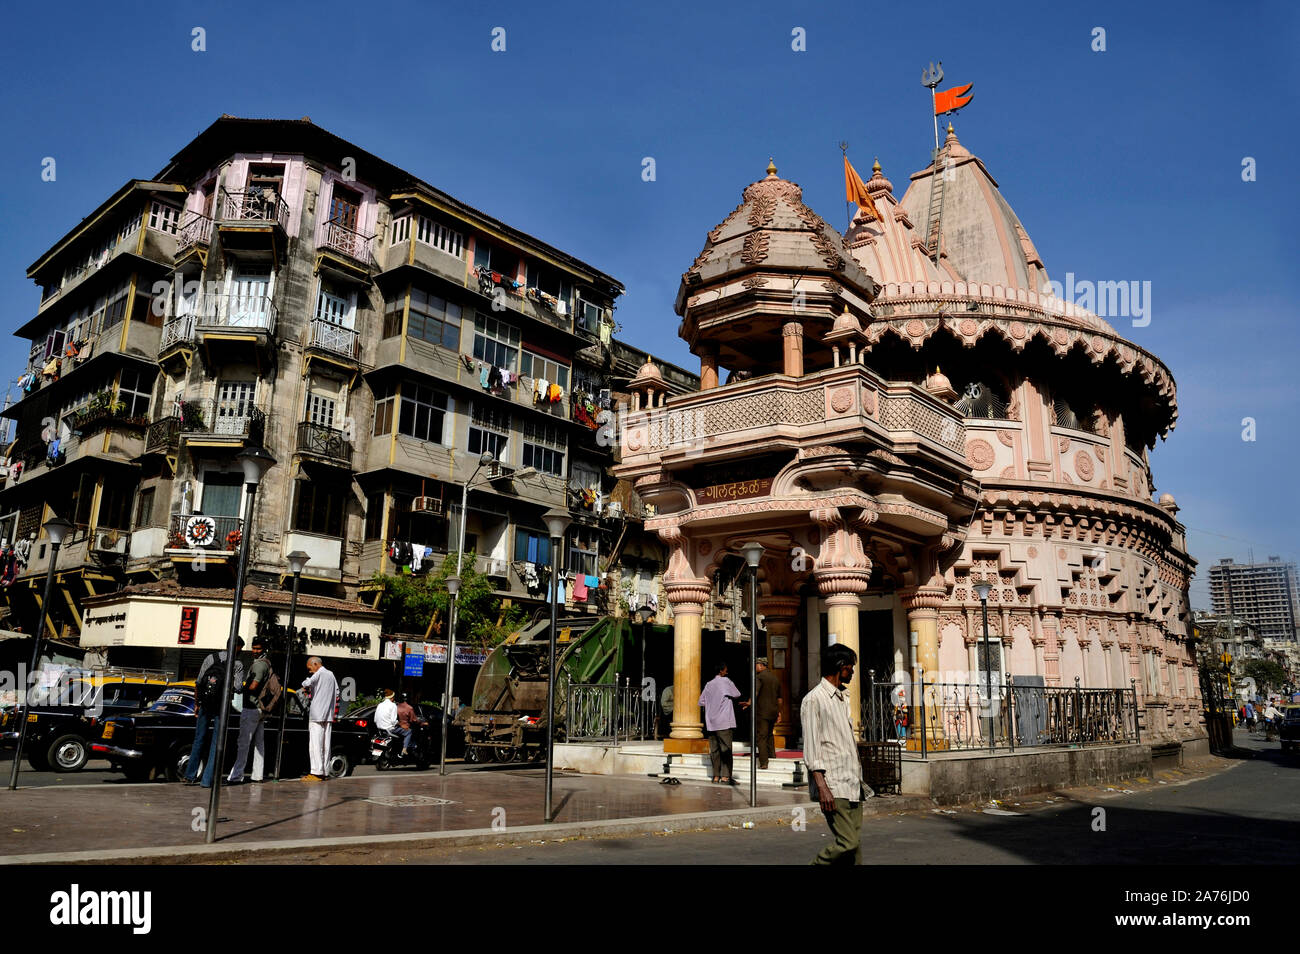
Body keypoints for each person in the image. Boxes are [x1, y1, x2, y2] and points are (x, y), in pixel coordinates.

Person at [801, 643, 872, 865]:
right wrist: (822, 787)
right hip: (833, 785)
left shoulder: (842, 698)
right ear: (840, 666)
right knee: (847, 843)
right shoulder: (814, 699)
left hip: (852, 782)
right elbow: (812, 747)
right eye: (850, 667)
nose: (852, 672)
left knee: (854, 848)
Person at [184, 638, 245, 788]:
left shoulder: (210, 657)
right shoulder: (237, 664)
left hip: (205, 704)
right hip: (221, 707)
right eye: (241, 648)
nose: (241, 651)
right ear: (237, 647)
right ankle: (206, 780)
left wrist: (197, 704)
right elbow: (238, 688)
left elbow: (198, 682)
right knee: (216, 742)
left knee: (199, 739)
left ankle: (190, 775)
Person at [227, 638, 274, 784]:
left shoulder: (259, 665)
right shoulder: (267, 663)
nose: (255, 651)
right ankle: (257, 775)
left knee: (243, 743)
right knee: (259, 744)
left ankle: (236, 776)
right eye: (253, 648)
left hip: (252, 708)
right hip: (260, 710)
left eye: (258, 648)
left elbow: (254, 686)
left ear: (264, 649)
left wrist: (240, 688)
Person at [698, 662, 742, 784]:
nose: (727, 673)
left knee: (715, 750)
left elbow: (701, 701)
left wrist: (712, 702)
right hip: (723, 721)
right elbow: (737, 694)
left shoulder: (709, 684)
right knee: (726, 749)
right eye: (726, 671)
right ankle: (725, 776)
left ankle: (716, 776)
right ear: (721, 671)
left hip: (711, 722)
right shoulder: (726, 681)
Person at [300, 657, 339, 781]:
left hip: (317, 714)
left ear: (315, 664)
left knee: (315, 744)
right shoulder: (331, 674)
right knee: (326, 744)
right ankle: (324, 772)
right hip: (328, 714)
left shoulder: (319, 673)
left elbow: (306, 683)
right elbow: (337, 692)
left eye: (309, 668)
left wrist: (305, 683)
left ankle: (316, 772)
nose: (310, 671)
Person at [753, 657, 782, 770]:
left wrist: (749, 703)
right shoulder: (775, 678)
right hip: (773, 711)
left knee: (761, 736)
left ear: (761, 665)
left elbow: (755, 692)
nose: (755, 667)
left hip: (762, 712)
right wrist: (779, 712)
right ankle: (772, 754)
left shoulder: (759, 677)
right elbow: (780, 699)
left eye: (756, 665)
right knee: (769, 734)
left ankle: (764, 762)